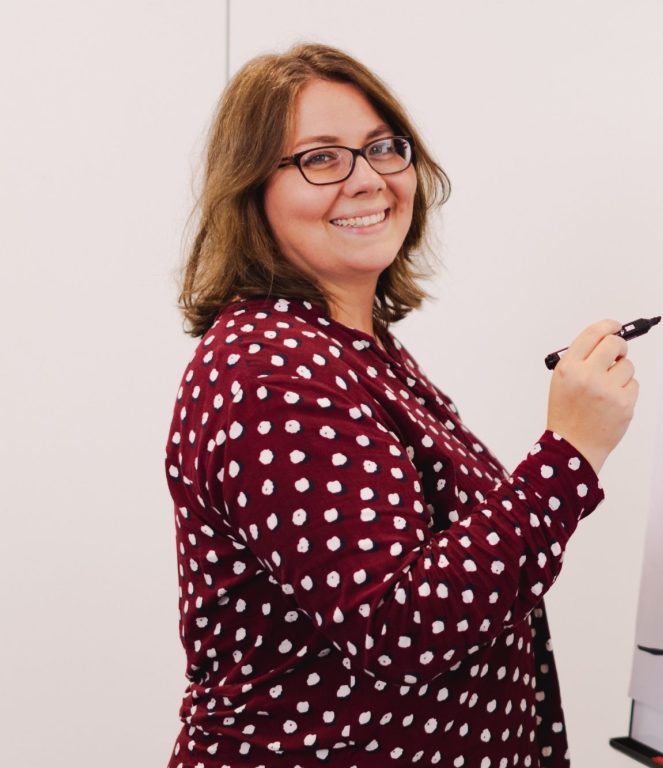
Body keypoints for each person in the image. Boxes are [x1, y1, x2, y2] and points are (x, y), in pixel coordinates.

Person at [165, 43, 638, 768]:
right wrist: (569, 456)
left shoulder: (357, 350)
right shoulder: (269, 369)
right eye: (321, 158)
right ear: (251, 189)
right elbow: (399, 627)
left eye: (384, 148)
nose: (368, 180)